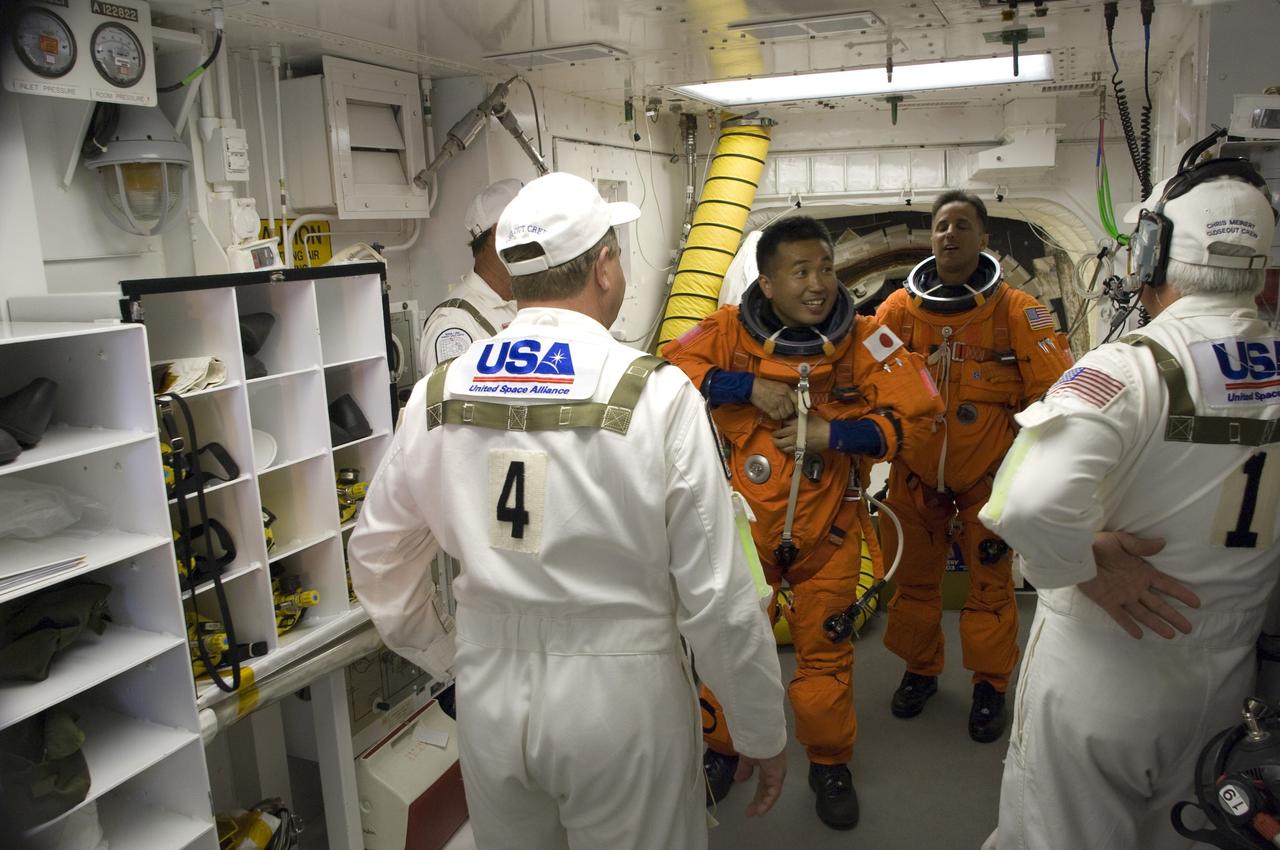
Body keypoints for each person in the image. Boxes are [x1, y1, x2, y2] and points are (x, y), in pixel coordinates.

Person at [350, 171, 788, 850]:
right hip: (623, 700)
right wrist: (760, 728)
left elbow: (377, 559)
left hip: (490, 697)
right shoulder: (656, 393)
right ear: (606, 267)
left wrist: (454, 657)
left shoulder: (437, 392)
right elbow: (719, 596)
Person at [979, 160, 1280, 850]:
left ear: (1152, 253)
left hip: (1109, 666)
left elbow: (1022, 503)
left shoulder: (1126, 368)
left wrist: (1085, 563)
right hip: (1230, 683)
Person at [663, 215, 943, 830]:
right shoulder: (729, 333)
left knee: (825, 661)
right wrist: (743, 385)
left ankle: (829, 761)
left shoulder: (865, 340)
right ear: (767, 282)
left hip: (829, 536)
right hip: (746, 533)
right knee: (728, 650)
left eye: (824, 269)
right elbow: (663, 372)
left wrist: (833, 432)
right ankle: (722, 747)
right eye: (800, 272)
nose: (818, 284)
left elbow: (921, 415)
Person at [874, 190, 1074, 742]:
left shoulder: (1017, 312)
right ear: (931, 237)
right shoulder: (897, 311)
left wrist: (1033, 483)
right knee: (914, 584)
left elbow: (1056, 401)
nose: (950, 235)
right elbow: (862, 374)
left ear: (983, 239)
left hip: (989, 481)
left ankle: (990, 684)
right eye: (942, 225)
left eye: (963, 225)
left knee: (990, 587)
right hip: (914, 479)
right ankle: (920, 671)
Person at [418, 178, 522, 375]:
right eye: (527, 229)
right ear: (497, 234)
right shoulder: (453, 324)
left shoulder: (525, 304)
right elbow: (450, 405)